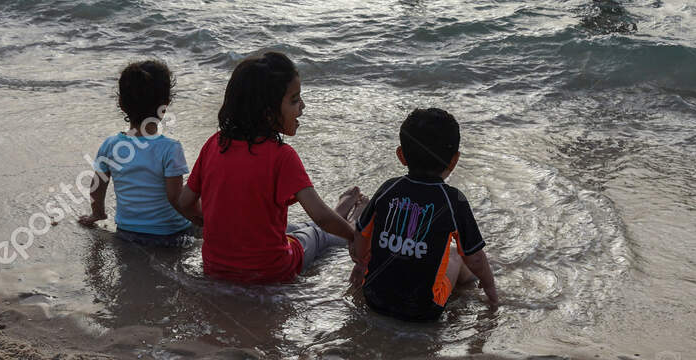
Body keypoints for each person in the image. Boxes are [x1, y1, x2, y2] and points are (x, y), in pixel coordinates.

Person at [176, 52, 365, 284]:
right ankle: (350, 219)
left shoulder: (214, 145)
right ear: (267, 113)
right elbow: (320, 218)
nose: (303, 106)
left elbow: (185, 202)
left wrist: (208, 221)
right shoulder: (282, 156)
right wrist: (354, 236)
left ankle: (340, 211)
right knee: (318, 234)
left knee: (290, 228)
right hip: (272, 271)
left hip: (215, 268)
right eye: (295, 100)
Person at [351, 107, 498, 320]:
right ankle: (469, 282)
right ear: (454, 160)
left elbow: (361, 234)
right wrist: (491, 291)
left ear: (401, 155)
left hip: (374, 299)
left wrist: (361, 264)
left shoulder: (388, 189)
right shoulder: (453, 200)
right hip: (424, 310)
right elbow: (475, 258)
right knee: (457, 255)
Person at [78, 60, 196, 246]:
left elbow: (97, 186)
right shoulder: (170, 148)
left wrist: (97, 214)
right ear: (165, 105)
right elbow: (175, 198)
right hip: (170, 235)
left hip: (127, 232)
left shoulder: (111, 145)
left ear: (121, 104)